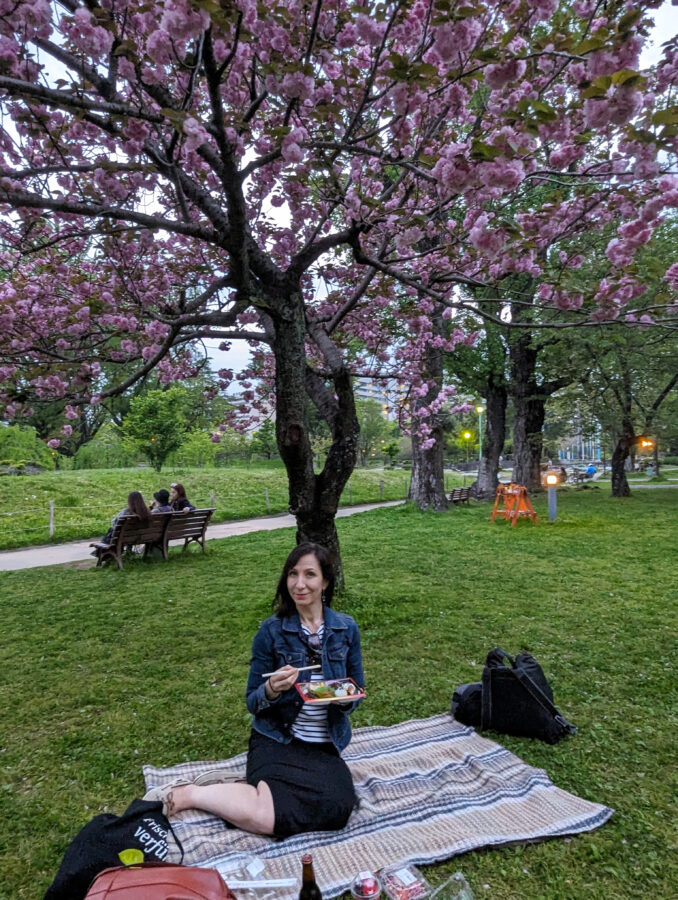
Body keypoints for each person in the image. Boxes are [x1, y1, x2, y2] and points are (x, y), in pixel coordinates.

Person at [144, 542, 364, 838]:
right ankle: (190, 795)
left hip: (323, 745)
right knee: (267, 816)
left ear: (325, 581)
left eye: (310, 575)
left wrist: (342, 697)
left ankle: (240, 795)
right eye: (293, 574)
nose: (299, 584)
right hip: (278, 739)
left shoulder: (345, 629)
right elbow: (253, 701)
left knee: (338, 808)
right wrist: (271, 689)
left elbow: (356, 691)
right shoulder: (272, 631)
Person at [91, 491, 150, 558]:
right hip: (140, 537)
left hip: (122, 538)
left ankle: (102, 554)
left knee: (110, 533)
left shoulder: (126, 512)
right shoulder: (147, 513)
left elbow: (114, 524)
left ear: (130, 501)